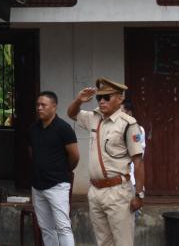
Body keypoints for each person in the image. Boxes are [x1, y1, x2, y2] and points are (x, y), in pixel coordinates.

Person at [67, 78, 145, 246]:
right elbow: (71, 113)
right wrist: (79, 100)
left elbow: (138, 162)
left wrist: (139, 195)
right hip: (95, 191)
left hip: (118, 192)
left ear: (120, 98)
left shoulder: (128, 124)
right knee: (103, 242)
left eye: (107, 97)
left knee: (123, 242)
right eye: (99, 98)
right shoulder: (95, 118)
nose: (102, 101)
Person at [29, 91, 79, 246]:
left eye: (43, 105)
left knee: (63, 226)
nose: (39, 108)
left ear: (54, 107)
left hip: (58, 185)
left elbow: (74, 156)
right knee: (46, 228)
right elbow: (32, 153)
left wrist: (63, 170)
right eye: (37, 105)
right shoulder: (33, 129)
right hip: (38, 186)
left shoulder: (64, 128)